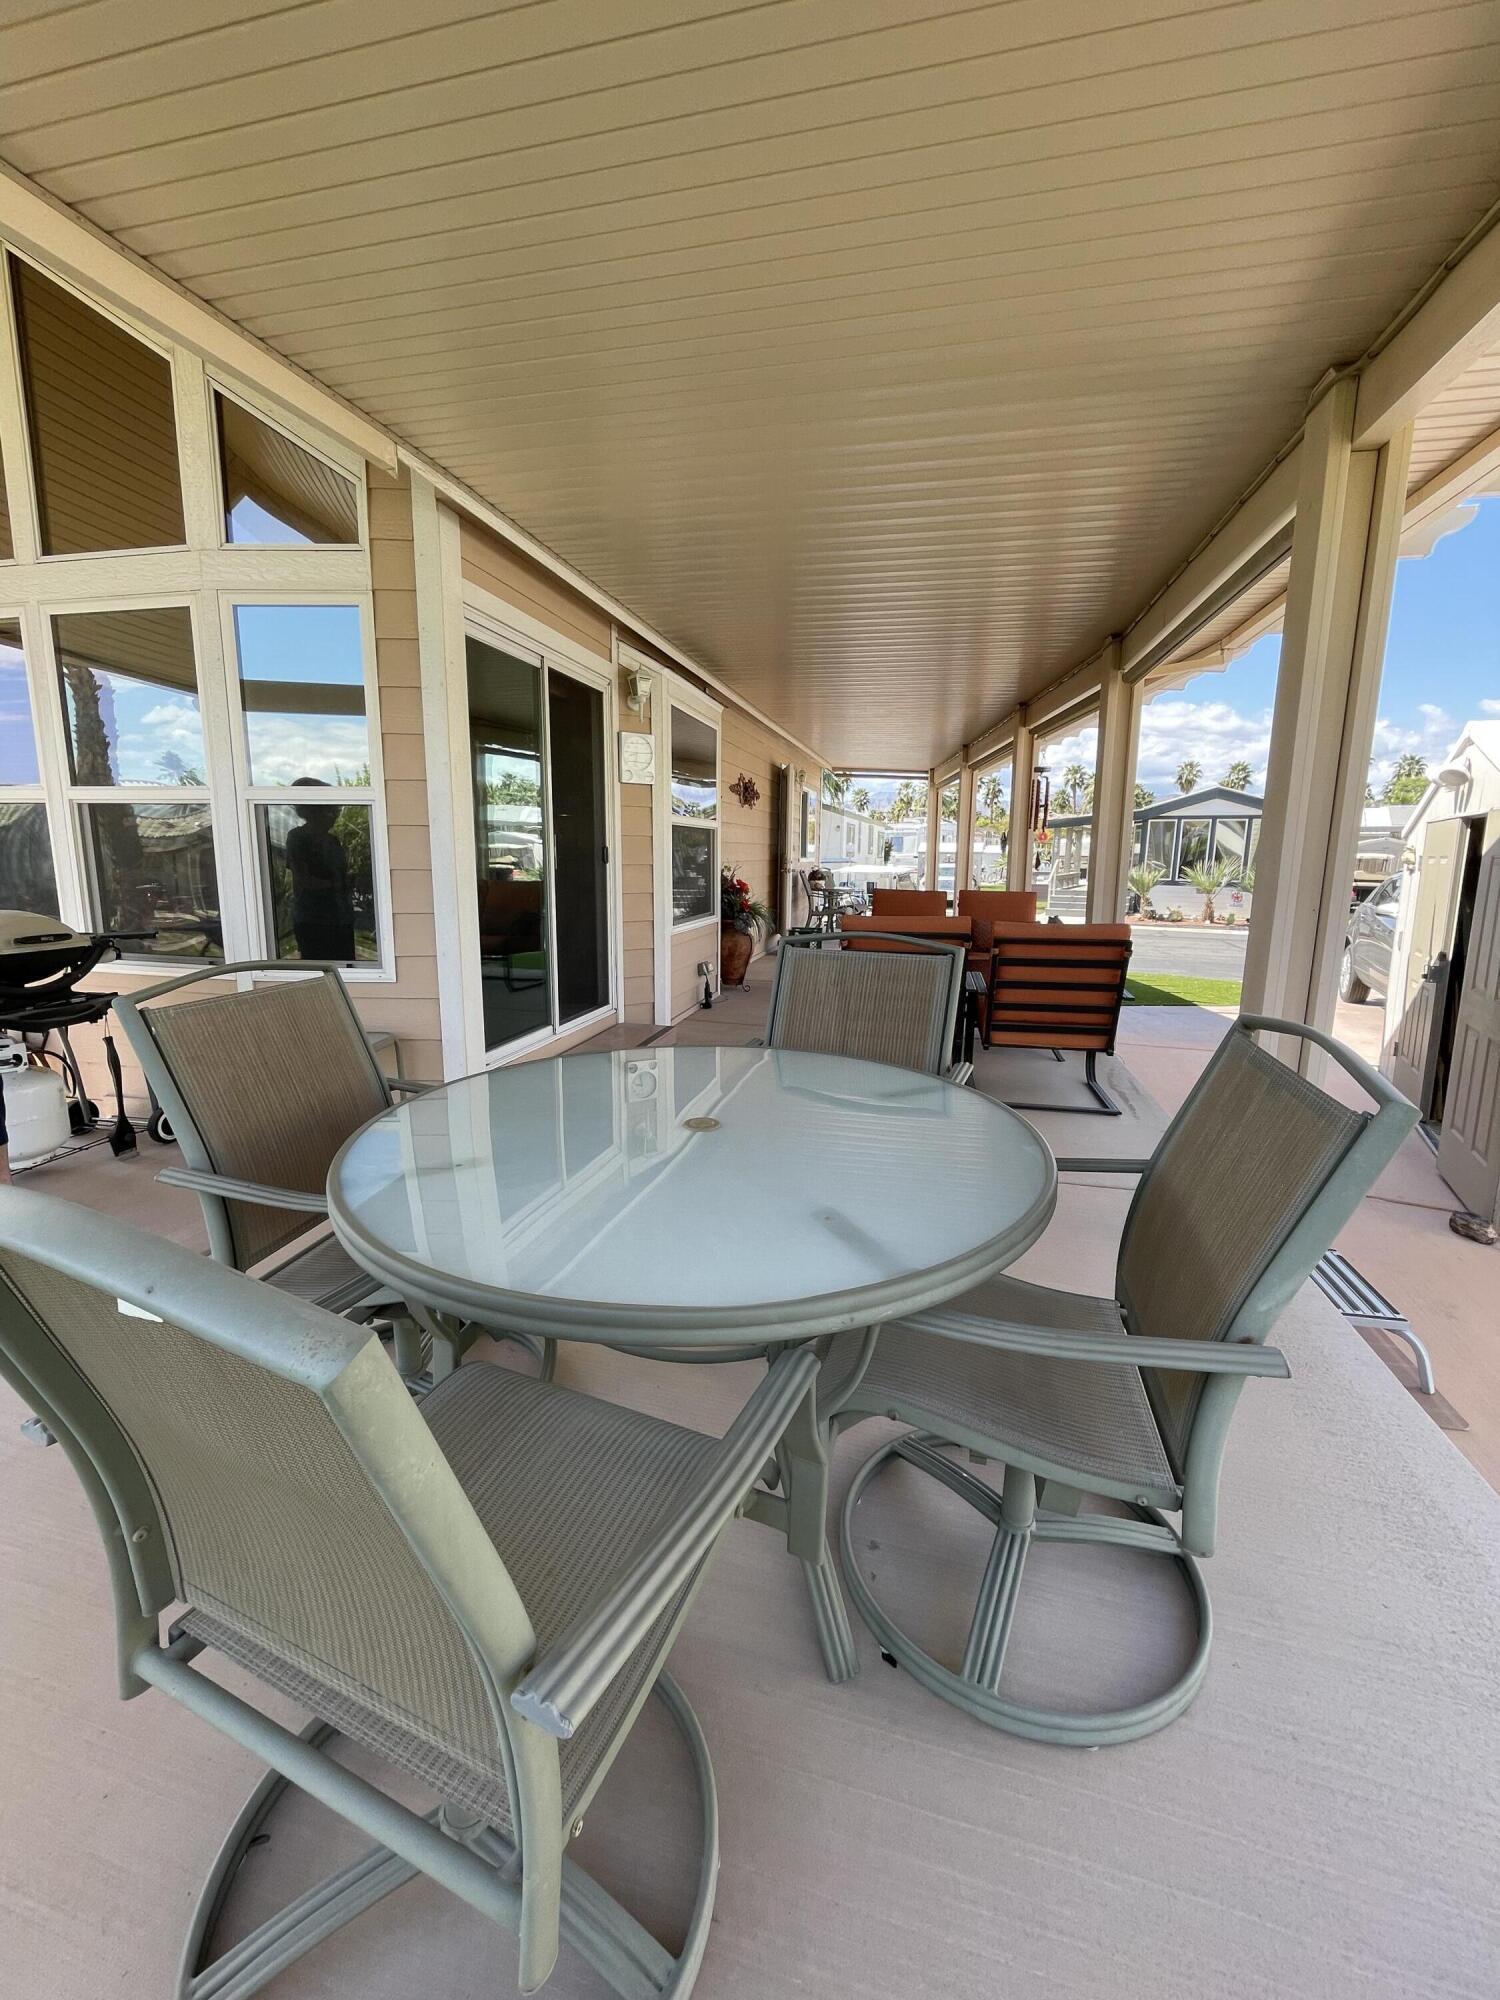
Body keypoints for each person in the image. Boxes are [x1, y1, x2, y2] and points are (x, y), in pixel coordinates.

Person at [285, 777, 356, 962]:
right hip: (313, 920)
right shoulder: (297, 838)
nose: (335, 815)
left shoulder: (333, 841)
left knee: (346, 967)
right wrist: (338, 884)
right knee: (319, 970)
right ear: (313, 811)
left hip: (340, 918)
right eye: (331, 810)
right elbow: (303, 879)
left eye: (336, 810)